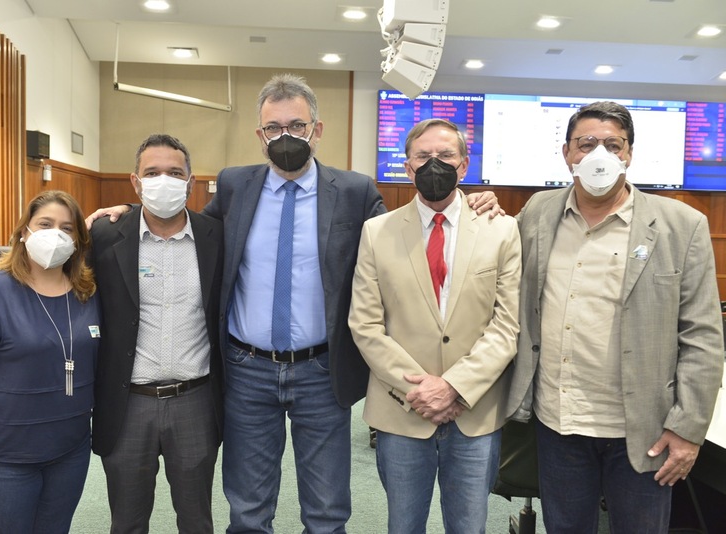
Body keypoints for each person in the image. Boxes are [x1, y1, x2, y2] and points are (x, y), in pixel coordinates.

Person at [85, 74, 500, 532]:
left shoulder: (354, 191)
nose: (286, 136)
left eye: (297, 126)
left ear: (316, 130)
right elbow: (187, 229)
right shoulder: (235, 186)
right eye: (274, 128)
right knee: (248, 508)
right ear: (260, 135)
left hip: (321, 370)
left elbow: (407, 237)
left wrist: (467, 203)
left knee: (326, 510)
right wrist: (129, 211)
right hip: (247, 370)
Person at [505, 101, 725, 533]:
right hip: (559, 421)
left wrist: (688, 429)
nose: (599, 155)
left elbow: (702, 335)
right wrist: (481, 206)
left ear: (629, 153)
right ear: (567, 153)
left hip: (644, 429)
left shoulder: (682, 225)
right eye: (586, 144)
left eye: (613, 144)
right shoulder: (537, 213)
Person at [348, 118, 521, 534]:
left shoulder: (501, 229)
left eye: (445, 155)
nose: (434, 164)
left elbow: (507, 323)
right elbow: (365, 324)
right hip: (403, 409)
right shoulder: (376, 232)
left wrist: (455, 387)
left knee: (469, 526)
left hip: (475, 410)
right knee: (403, 526)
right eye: (423, 156)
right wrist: (421, 391)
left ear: (463, 165)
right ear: (408, 168)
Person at [0, 190, 100, 534]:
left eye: (67, 228)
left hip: (70, 451)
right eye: (45, 224)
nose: (55, 234)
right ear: (24, 232)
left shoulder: (87, 294)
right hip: (5, 458)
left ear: (78, 240)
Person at [89, 134, 223, 533]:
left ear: (191, 182)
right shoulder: (104, 236)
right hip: (128, 403)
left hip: (195, 401)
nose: (163, 180)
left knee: (196, 521)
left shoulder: (217, 237)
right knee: (127, 522)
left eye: (174, 173)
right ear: (135, 182)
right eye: (152, 173)